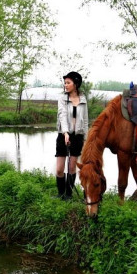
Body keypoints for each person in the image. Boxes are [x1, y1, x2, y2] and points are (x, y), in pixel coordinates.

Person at [56, 71, 88, 200]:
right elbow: (62, 115)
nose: (66, 85)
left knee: (72, 167)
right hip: (63, 135)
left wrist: (85, 139)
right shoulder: (62, 98)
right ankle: (60, 193)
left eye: (68, 82)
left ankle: (68, 195)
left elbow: (85, 120)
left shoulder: (83, 99)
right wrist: (65, 132)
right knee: (59, 169)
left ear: (76, 84)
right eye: (65, 83)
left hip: (77, 137)